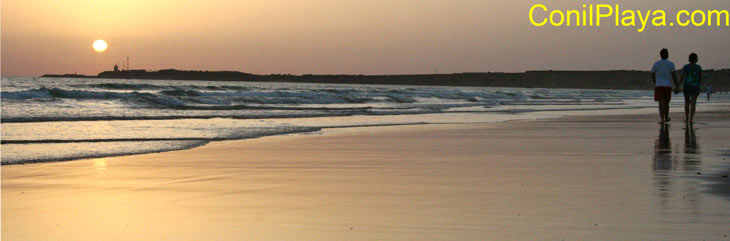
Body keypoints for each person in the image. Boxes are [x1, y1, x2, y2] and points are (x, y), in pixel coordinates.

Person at [650, 49, 679, 123]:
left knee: (660, 103)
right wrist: (677, 85)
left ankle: (662, 118)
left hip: (659, 85)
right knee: (666, 103)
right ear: (667, 55)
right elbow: (673, 76)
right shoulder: (671, 64)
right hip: (667, 85)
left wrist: (655, 83)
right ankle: (666, 117)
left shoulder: (656, 63)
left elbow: (652, 74)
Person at [680, 53, 702, 124]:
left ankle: (686, 118)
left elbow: (682, 76)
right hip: (695, 86)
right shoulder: (698, 67)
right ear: (696, 59)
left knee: (687, 103)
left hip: (687, 86)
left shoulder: (686, 67)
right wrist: (699, 85)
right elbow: (700, 78)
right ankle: (691, 119)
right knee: (693, 103)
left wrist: (678, 85)